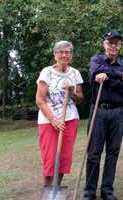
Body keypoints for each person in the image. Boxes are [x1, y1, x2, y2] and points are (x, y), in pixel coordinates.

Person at [80, 31, 123, 200]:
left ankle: (107, 190)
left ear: (120, 46)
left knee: (112, 152)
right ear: (104, 45)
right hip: (98, 111)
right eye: (110, 43)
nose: (113, 47)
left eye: (116, 44)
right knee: (94, 152)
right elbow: (97, 70)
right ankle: (89, 191)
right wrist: (118, 76)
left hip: (117, 112)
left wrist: (109, 77)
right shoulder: (96, 60)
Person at [36, 40, 84, 188]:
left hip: (70, 119)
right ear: (55, 55)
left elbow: (80, 99)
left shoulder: (75, 73)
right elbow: (39, 100)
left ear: (71, 55)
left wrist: (72, 93)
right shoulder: (47, 72)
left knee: (63, 159)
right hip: (49, 121)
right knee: (50, 158)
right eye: (61, 52)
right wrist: (53, 120)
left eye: (67, 52)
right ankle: (48, 193)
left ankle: (56, 192)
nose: (64, 55)